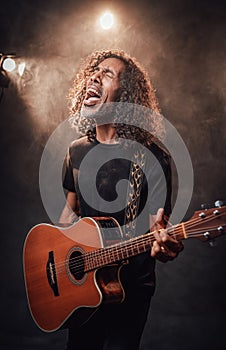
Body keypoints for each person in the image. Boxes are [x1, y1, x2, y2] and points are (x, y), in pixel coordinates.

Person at [59, 49, 183, 350]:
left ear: (126, 96)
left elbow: (158, 228)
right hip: (84, 286)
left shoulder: (152, 157)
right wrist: (62, 264)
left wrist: (164, 245)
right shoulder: (76, 150)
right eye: (95, 71)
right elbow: (67, 216)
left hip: (130, 289)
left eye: (108, 73)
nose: (96, 76)